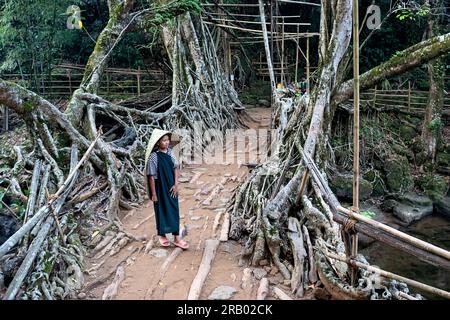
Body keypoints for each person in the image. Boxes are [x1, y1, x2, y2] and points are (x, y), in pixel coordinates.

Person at [144, 129, 189, 249]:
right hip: (160, 188)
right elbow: (151, 176)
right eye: (164, 140)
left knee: (174, 210)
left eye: (168, 140)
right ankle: (162, 234)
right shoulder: (154, 157)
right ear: (158, 143)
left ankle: (176, 237)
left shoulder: (170, 153)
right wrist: (154, 193)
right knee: (161, 209)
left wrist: (176, 185)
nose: (167, 142)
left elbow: (176, 168)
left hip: (171, 187)